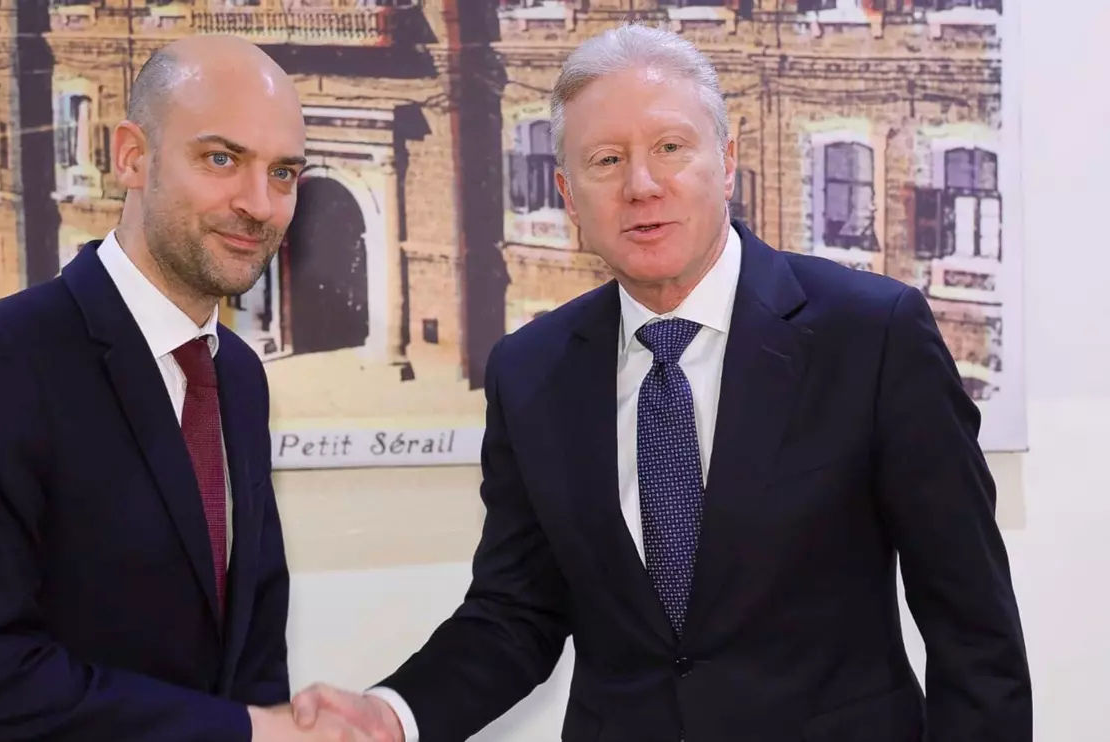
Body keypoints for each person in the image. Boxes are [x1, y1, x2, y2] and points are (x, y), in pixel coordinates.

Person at [290, 23, 1032, 742]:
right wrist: (394, 716)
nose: (640, 185)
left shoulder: (871, 335)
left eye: (670, 148)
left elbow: (973, 627)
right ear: (568, 192)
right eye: (605, 160)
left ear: (726, 160)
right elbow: (516, 613)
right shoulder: (530, 372)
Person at [0, 35, 370, 742]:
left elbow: (248, 656)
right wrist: (245, 731)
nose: (259, 203)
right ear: (131, 157)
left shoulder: (238, 376)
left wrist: (272, 727)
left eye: (283, 173)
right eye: (221, 158)